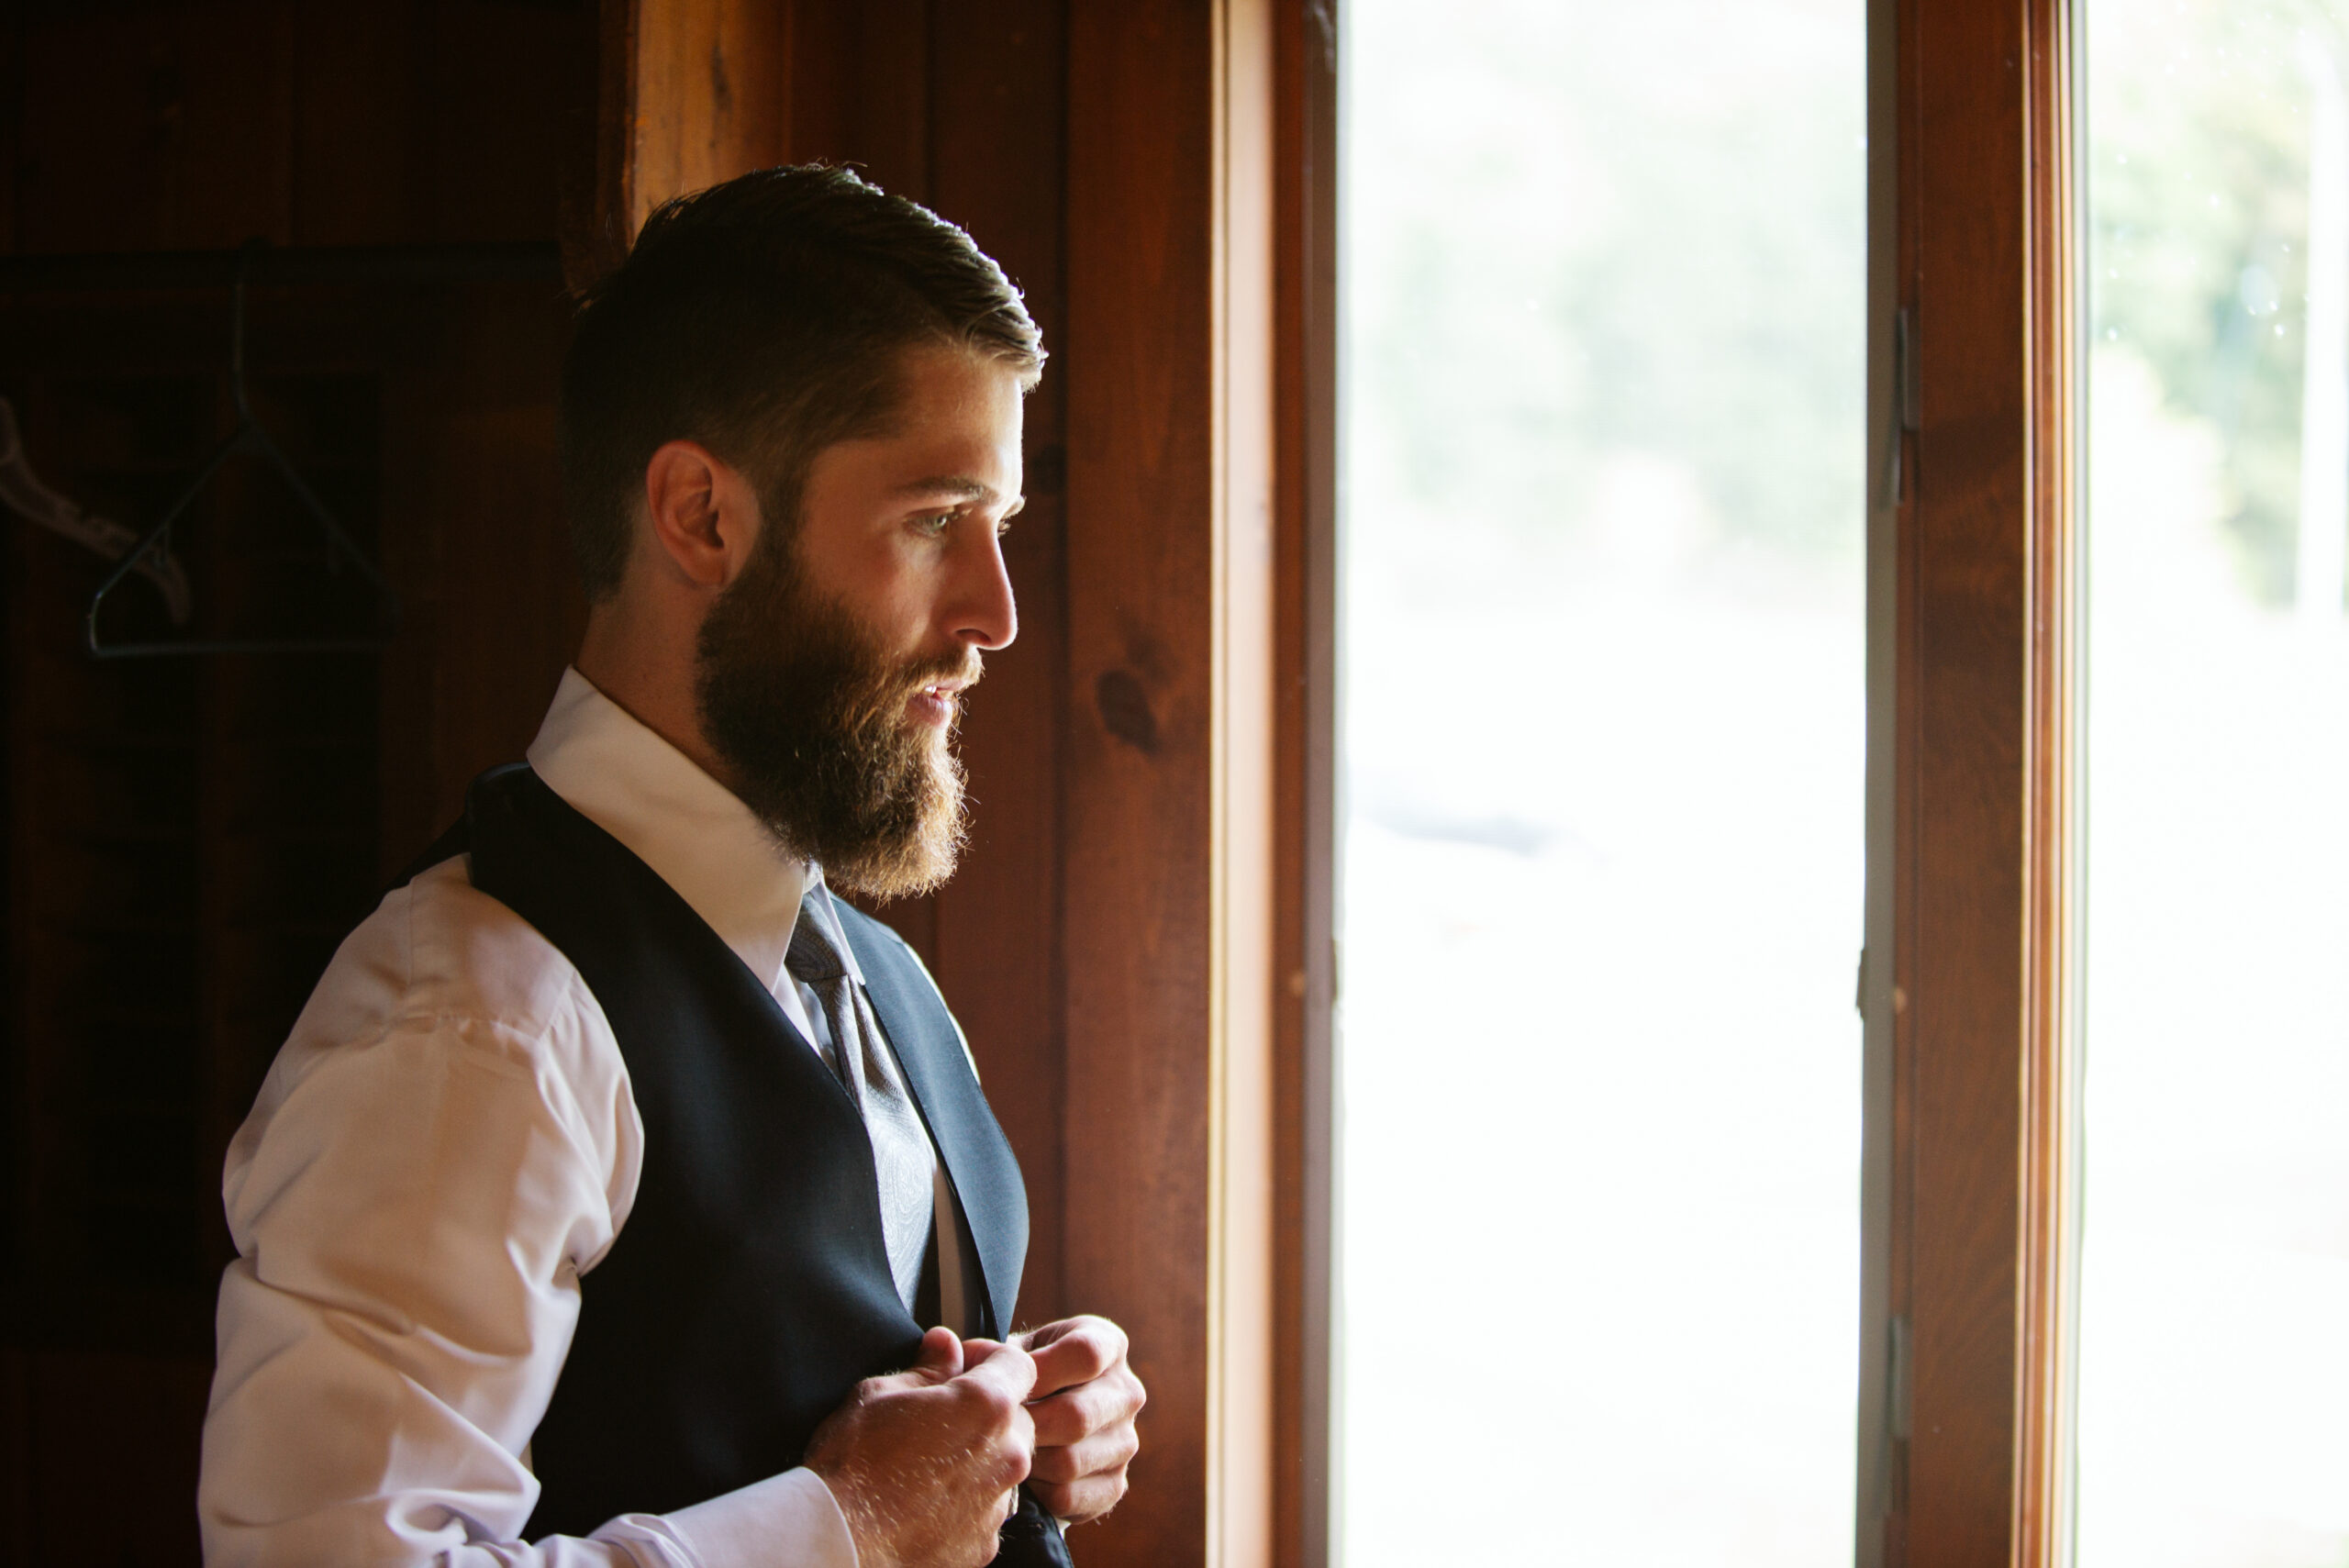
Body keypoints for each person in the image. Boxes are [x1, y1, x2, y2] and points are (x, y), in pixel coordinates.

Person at [196, 164, 1144, 1568]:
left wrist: (1024, 1437)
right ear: (702, 515)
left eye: (1000, 526)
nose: (995, 612)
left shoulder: (861, 966)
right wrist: (849, 1523)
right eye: (936, 519)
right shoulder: (471, 1016)